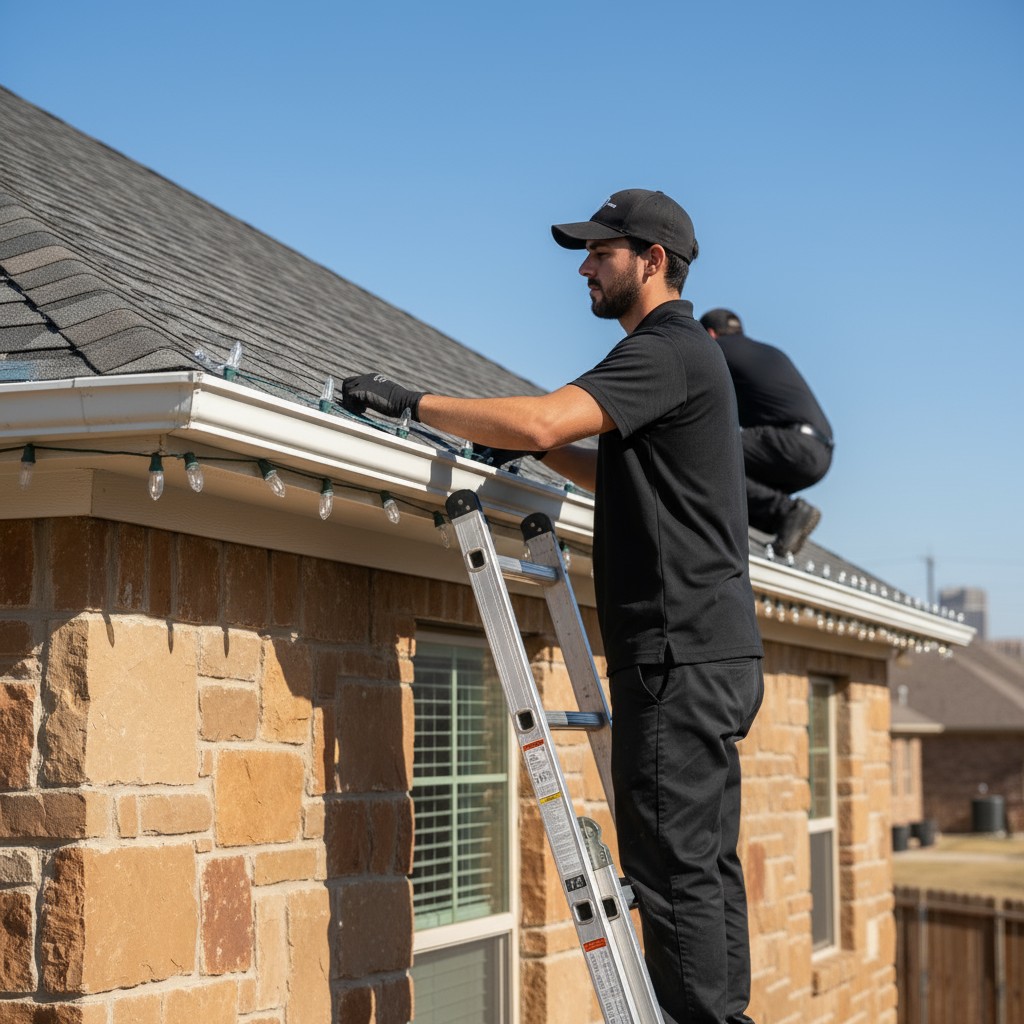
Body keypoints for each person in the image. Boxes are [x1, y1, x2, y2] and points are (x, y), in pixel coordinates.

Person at [342, 189, 764, 1024]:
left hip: (677, 653)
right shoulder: (682, 363)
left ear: (651, 261)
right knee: (705, 865)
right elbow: (615, 472)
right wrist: (513, 442)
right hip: (712, 652)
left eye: (599, 252)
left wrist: (412, 402)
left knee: (673, 870)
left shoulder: (666, 348)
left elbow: (540, 420)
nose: (583, 266)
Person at [699, 308, 833, 556]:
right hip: (819, 453)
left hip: (792, 442)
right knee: (729, 483)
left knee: (702, 457)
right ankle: (784, 521)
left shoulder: (719, 350)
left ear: (710, 334)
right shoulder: (766, 352)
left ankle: (788, 512)